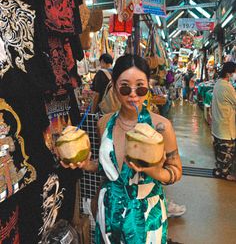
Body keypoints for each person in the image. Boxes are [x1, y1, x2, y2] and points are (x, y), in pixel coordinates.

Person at [63, 54, 182, 243]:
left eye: (140, 87)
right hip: (109, 210)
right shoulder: (105, 123)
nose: (133, 94)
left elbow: (176, 170)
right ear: (115, 87)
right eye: (125, 87)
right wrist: (86, 165)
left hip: (145, 215)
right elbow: (108, 169)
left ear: (148, 87)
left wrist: (152, 170)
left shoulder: (160, 126)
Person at [211, 62, 236, 181]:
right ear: (228, 73)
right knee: (226, 153)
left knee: (220, 152)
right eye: (234, 72)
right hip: (226, 125)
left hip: (218, 124)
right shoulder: (227, 86)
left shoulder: (218, 84)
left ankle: (219, 170)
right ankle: (224, 174)